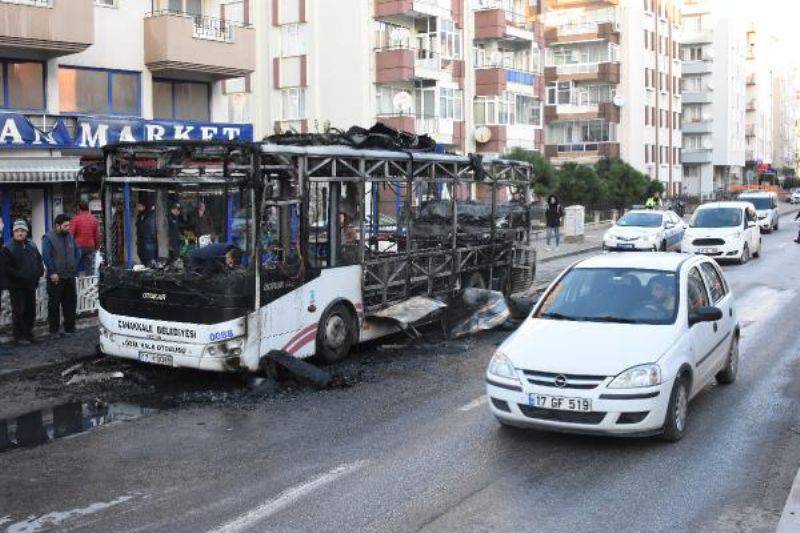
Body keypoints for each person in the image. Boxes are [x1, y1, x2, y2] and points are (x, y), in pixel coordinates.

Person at [4, 220, 44, 345]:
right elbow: (7, 268)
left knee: (30, 311)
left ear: (26, 232)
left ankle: (29, 334)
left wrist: (39, 272)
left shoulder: (32, 245)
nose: (20, 233)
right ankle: (19, 337)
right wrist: (21, 277)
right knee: (19, 311)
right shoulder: (8, 247)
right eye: (17, 231)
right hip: (17, 286)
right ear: (13, 232)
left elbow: (39, 260)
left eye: (22, 231)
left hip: (30, 285)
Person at [42, 214, 82, 338]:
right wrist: (52, 272)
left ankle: (69, 328)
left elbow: (77, 251)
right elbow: (46, 256)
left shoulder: (69, 236)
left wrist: (74, 263)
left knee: (70, 303)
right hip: (56, 277)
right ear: (57, 225)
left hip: (69, 275)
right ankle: (54, 331)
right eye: (65, 225)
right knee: (54, 304)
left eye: (68, 225)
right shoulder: (48, 238)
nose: (68, 227)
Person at [70, 200, 101, 275]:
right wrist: (97, 247)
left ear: (79, 208)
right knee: (90, 269)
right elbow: (97, 235)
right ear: (88, 208)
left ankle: (76, 284)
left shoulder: (75, 219)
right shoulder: (94, 219)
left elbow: (70, 235)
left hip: (78, 246)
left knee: (75, 267)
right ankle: (89, 285)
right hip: (90, 247)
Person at [135, 201, 157, 265]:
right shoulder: (140, 215)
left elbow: (151, 228)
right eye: (138, 206)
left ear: (144, 207)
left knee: (149, 259)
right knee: (142, 256)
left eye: (140, 206)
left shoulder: (150, 215)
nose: (138, 208)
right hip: (142, 240)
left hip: (148, 240)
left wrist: (152, 237)